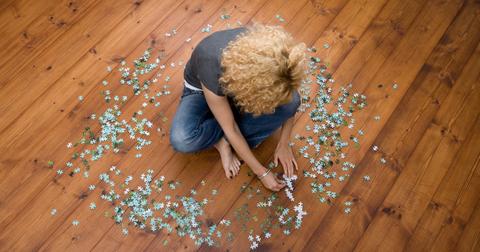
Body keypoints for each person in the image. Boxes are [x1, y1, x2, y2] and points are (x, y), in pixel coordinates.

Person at [169, 22, 307, 191]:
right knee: (182, 139)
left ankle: (225, 138)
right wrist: (261, 172)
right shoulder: (211, 61)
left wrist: (284, 143)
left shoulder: (277, 59)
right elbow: (231, 127)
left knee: (292, 101)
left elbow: (291, 100)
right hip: (202, 90)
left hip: (241, 88)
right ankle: (222, 142)